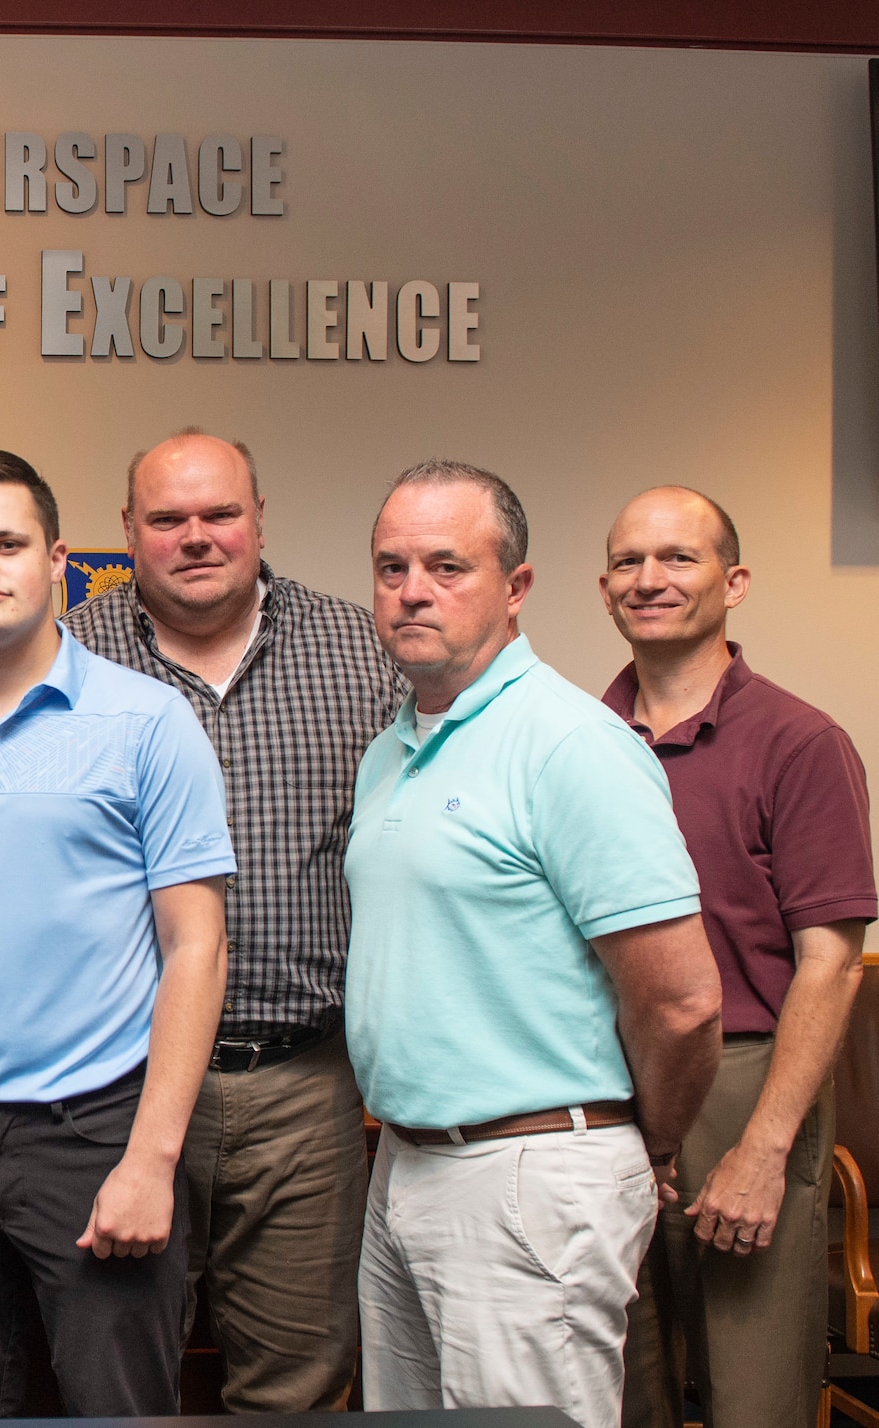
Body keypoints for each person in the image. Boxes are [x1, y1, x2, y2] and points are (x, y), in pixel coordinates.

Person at [0, 448, 234, 1417]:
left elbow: (197, 946)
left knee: (117, 1407)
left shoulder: (148, 724)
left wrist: (149, 1161)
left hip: (94, 1130)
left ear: (55, 559)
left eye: (6, 544)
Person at [346, 460, 724, 1428]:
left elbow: (679, 1003)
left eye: (444, 566)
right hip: (403, 1170)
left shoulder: (569, 743)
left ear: (513, 587)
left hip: (527, 1180)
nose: (411, 591)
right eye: (390, 568)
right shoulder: (389, 752)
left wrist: (644, 1143)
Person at [63, 431, 404, 1412]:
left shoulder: (357, 650)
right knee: (113, 1381)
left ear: (259, 519)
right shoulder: (68, 656)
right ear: (126, 531)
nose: (195, 538)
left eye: (219, 514)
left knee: (295, 1385)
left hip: (299, 1086)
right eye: (166, 519)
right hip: (108, 1090)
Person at [601, 487, 875, 1428]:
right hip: (603, 1086)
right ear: (604, 589)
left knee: (753, 1399)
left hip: (746, 1084)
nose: (651, 579)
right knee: (617, 1391)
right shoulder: (576, 741)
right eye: (630, 561)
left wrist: (763, 1150)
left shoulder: (802, 744)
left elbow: (831, 965)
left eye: (678, 557)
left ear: (736, 580)